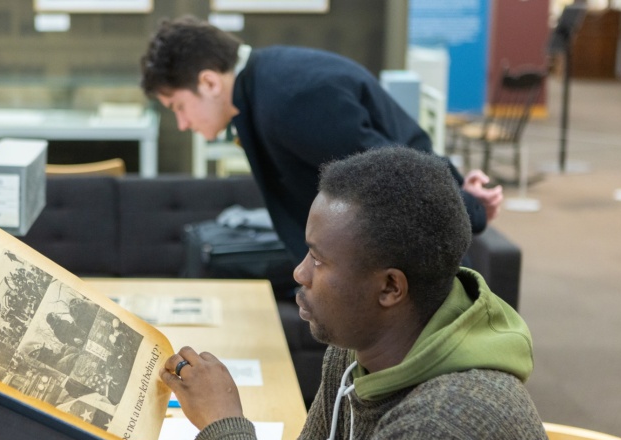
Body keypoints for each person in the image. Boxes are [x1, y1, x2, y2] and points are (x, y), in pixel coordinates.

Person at [160, 147, 566, 440]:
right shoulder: (360, 345)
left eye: (318, 260)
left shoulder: (446, 426)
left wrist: (222, 423)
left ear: (390, 288)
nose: (300, 273)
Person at [141, 16, 503, 262]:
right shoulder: (268, 80)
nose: (182, 124)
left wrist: (468, 206)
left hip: (414, 274)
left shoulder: (288, 100)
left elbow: (394, 176)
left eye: (178, 106)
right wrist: (459, 187)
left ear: (208, 82)